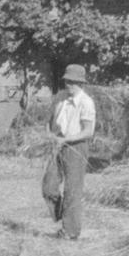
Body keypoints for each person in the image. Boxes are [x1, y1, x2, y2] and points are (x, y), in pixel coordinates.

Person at [41, 64, 95, 240]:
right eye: (67, 81)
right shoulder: (60, 98)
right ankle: (62, 215)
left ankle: (70, 232)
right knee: (48, 187)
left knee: (72, 191)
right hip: (57, 144)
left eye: (73, 82)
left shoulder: (86, 103)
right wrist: (49, 134)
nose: (69, 85)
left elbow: (88, 131)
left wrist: (66, 140)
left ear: (81, 83)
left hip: (76, 147)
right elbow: (49, 120)